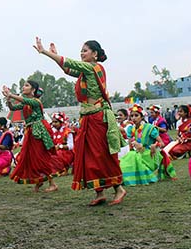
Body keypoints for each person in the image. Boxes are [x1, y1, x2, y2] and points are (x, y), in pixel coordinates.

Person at [34, 37, 127, 206]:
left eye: (85, 50)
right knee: (87, 156)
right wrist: (56, 57)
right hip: (88, 118)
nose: (82, 53)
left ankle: (118, 189)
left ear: (95, 54)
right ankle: (99, 192)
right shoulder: (86, 71)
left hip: (98, 117)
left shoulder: (94, 67)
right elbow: (68, 69)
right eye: (81, 51)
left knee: (102, 155)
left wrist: (45, 53)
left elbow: (69, 63)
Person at [4, 81, 58, 192]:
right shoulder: (26, 103)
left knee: (40, 156)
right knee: (31, 156)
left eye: (27, 85)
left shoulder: (36, 102)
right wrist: (9, 100)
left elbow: (25, 100)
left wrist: (11, 94)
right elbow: (13, 108)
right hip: (30, 130)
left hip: (39, 131)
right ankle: (39, 181)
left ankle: (53, 184)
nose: (24, 87)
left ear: (33, 90)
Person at [119, 104, 176, 186]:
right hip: (138, 153)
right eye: (131, 116)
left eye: (136, 115)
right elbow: (131, 148)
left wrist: (154, 145)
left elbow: (162, 144)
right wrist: (134, 145)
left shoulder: (150, 128)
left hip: (150, 154)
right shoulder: (131, 129)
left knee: (133, 157)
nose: (133, 118)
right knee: (127, 159)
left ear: (142, 117)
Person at [49, 112, 75, 176]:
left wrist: (60, 146)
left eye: (56, 122)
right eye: (53, 122)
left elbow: (71, 146)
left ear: (61, 122)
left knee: (57, 154)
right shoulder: (53, 131)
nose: (54, 124)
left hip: (67, 153)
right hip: (56, 150)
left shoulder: (67, 131)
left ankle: (63, 169)